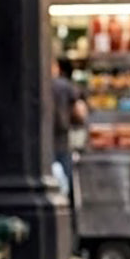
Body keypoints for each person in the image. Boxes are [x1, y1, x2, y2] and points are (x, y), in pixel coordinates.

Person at [50, 58, 86, 201]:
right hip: (62, 142)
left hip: (41, 145)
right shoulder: (65, 86)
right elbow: (80, 113)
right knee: (65, 187)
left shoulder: (35, 85)